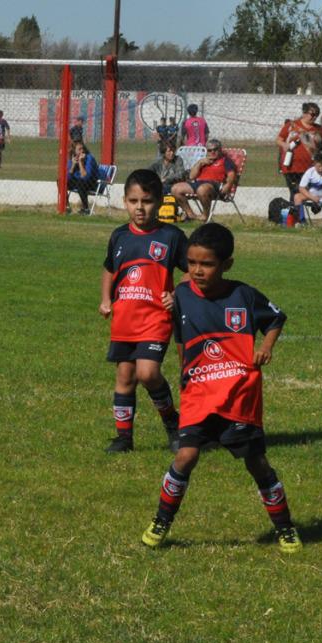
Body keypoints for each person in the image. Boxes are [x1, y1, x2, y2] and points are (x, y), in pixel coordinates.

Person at [141, 223, 301, 554]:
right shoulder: (183, 295)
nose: (197, 270)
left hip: (239, 393)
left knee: (257, 463)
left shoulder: (243, 295)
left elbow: (275, 319)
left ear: (227, 264)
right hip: (199, 393)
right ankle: (161, 521)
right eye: (192, 263)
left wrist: (266, 347)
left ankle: (285, 528)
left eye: (207, 264)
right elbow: (183, 336)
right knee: (186, 456)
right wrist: (185, 370)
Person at [99, 169, 188, 454]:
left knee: (148, 373)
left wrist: (176, 294)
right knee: (125, 376)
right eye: (133, 201)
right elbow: (109, 269)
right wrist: (105, 300)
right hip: (124, 317)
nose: (140, 208)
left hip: (155, 318)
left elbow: (194, 270)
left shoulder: (171, 236)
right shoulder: (120, 236)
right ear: (125, 201)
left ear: (160, 202)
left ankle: (173, 424)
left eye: (147, 201)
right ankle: (124, 438)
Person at [276, 101, 322, 198]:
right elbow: (279, 139)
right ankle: (294, 212)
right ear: (304, 113)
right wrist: (284, 145)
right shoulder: (292, 126)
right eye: (312, 114)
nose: (315, 117)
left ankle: (307, 209)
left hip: (311, 168)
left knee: (310, 194)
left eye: (317, 115)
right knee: (296, 193)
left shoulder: (318, 129)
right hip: (292, 168)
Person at [171, 139, 235, 222]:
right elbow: (191, 176)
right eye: (210, 150)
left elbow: (231, 175)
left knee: (202, 189)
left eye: (215, 149)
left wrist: (228, 185)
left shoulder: (225, 161)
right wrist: (200, 163)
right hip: (198, 183)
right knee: (175, 189)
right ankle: (190, 214)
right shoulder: (203, 161)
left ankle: (205, 215)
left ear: (220, 150)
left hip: (214, 185)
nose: (212, 152)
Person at [292, 152, 322, 224]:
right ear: (314, 164)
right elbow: (301, 188)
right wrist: (312, 197)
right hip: (312, 195)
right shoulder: (310, 172)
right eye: (319, 166)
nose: (321, 169)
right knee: (297, 197)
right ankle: (302, 222)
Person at [66, 139, 99, 214]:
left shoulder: (89, 158)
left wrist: (81, 162)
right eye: (79, 149)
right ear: (74, 151)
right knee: (61, 181)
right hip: (78, 183)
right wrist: (73, 165)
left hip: (91, 184)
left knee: (80, 182)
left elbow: (85, 177)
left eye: (82, 148)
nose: (82, 151)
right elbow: (68, 177)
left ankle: (86, 208)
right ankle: (66, 206)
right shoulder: (72, 159)